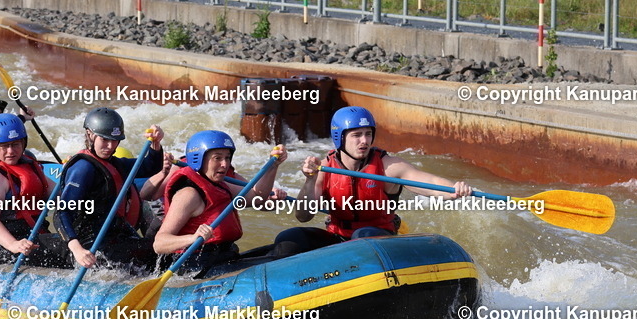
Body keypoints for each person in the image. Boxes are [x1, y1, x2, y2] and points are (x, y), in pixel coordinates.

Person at [274, 106, 472, 255]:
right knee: (289, 239)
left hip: (377, 237)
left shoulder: (388, 166)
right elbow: (303, 215)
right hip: (338, 236)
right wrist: (309, 180)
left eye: (368, 134)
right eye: (357, 135)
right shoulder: (323, 168)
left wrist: (454, 189)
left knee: (362, 237)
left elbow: (429, 182)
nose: (364, 141)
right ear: (340, 138)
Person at [154, 130, 286, 277]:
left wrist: (272, 166)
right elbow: (159, 243)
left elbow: (258, 197)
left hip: (224, 259)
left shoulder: (221, 184)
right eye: (217, 158)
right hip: (196, 267)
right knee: (281, 262)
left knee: (289, 247)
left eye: (227, 158)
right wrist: (192, 238)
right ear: (199, 159)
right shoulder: (188, 194)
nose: (224, 164)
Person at [55, 108, 169, 274]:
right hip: (90, 244)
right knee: (153, 257)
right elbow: (62, 212)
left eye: (115, 141)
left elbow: (150, 167)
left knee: (160, 253)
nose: (110, 146)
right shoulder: (83, 168)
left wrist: (155, 144)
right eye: (104, 139)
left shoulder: (114, 163)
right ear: (89, 134)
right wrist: (77, 249)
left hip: (114, 235)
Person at [0, 113, 69, 267]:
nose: (10, 151)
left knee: (78, 241)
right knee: (68, 248)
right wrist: (13, 244)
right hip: (4, 247)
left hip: (31, 239)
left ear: (24, 143)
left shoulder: (30, 167)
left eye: (15, 144)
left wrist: (74, 175)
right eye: (4, 145)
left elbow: (62, 199)